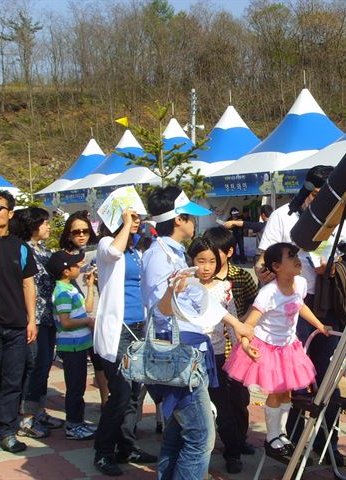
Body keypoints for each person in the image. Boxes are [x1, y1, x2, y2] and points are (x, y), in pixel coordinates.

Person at [141, 186, 253, 480]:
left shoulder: (175, 255)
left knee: (179, 434)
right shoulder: (159, 257)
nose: (195, 223)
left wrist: (236, 324)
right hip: (176, 355)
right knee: (202, 436)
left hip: (189, 351)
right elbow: (161, 311)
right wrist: (171, 291)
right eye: (191, 217)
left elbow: (198, 302)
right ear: (179, 219)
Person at [256, 165, 346, 466]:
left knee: (326, 376)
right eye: (316, 195)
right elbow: (263, 260)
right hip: (290, 305)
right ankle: (293, 442)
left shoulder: (337, 217)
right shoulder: (283, 216)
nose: (320, 202)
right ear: (307, 191)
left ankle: (328, 443)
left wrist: (335, 265)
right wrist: (270, 275)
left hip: (325, 301)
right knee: (294, 378)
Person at [224, 242, 330, 458]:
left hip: (288, 346)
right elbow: (249, 324)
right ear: (277, 266)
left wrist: (319, 325)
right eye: (291, 256)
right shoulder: (268, 293)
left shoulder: (300, 283)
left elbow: (301, 305)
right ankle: (272, 437)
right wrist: (245, 345)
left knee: (286, 392)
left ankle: (281, 434)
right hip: (268, 346)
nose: (297, 259)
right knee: (276, 391)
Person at [93, 208, 156, 476]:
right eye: (130, 216)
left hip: (138, 328)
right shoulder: (107, 244)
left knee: (134, 393)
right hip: (117, 330)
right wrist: (126, 223)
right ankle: (103, 452)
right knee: (119, 393)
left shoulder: (136, 251)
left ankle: (127, 446)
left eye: (138, 217)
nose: (136, 221)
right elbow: (112, 253)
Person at [187, 236, 248, 474]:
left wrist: (239, 350)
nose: (206, 267)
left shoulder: (224, 288)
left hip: (216, 357)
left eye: (211, 261)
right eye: (200, 261)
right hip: (190, 357)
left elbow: (233, 322)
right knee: (190, 408)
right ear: (192, 260)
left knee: (224, 407)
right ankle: (189, 453)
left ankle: (232, 453)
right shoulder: (185, 286)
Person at [0, 190, 37, 463]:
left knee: (12, 382)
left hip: (18, 326)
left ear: (9, 213)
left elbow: (28, 284)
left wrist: (31, 319)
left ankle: (6, 432)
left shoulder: (20, 247)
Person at [9, 208, 63, 439]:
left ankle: (38, 411)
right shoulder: (23, 250)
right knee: (33, 367)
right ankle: (26, 418)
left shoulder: (45, 251)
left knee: (43, 367)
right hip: (34, 319)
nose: (48, 227)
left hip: (49, 316)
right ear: (32, 225)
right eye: (44, 223)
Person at [46, 250, 97, 440]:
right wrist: (87, 322)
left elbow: (88, 308)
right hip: (72, 347)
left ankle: (78, 422)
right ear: (66, 271)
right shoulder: (61, 293)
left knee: (79, 387)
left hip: (80, 345)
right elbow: (66, 322)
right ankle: (73, 426)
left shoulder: (71, 289)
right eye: (75, 265)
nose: (78, 267)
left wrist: (90, 286)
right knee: (75, 388)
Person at [59, 210, 108, 407]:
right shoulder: (62, 258)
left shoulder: (97, 253)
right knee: (76, 372)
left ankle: (106, 400)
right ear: (68, 234)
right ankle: (74, 415)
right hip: (74, 320)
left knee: (100, 361)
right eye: (76, 231)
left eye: (85, 231)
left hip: (96, 311)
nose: (81, 235)